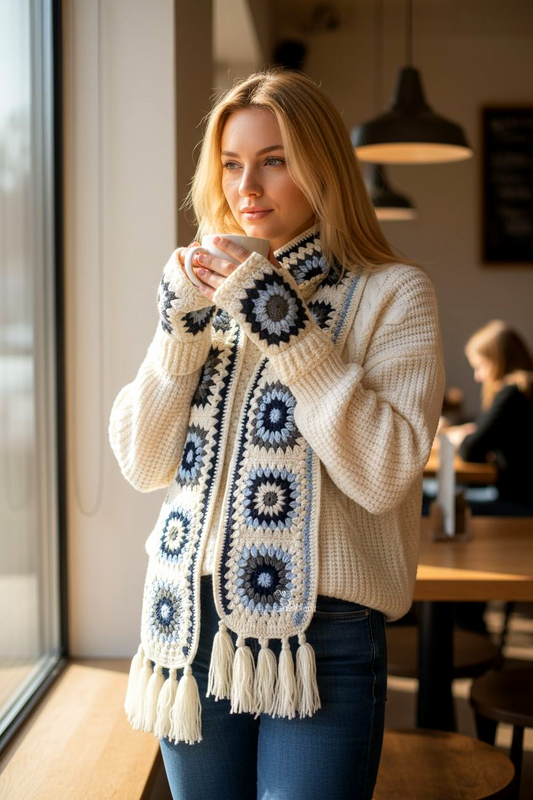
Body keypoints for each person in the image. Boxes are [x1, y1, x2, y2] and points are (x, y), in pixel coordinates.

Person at [109, 68, 445, 800]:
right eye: (231, 164)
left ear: (324, 168)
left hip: (321, 638)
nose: (246, 187)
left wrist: (286, 325)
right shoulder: (202, 295)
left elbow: (386, 472)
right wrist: (177, 333)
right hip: (188, 624)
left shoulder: (392, 293)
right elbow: (141, 461)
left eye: (274, 160)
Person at [444, 319, 533, 515]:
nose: (478, 377)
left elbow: (470, 450)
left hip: (519, 501)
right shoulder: (525, 388)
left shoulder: (512, 393)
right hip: (521, 495)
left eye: (480, 366)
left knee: (439, 505)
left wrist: (462, 439)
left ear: (499, 361)